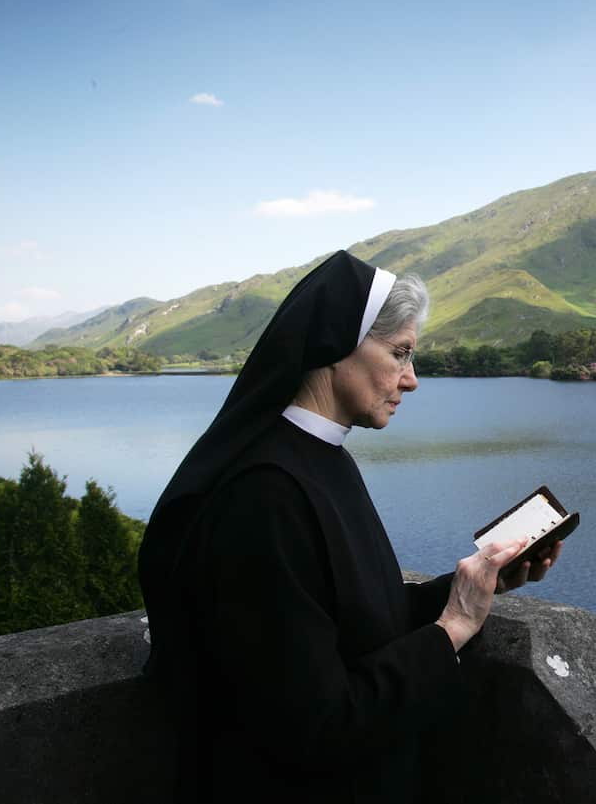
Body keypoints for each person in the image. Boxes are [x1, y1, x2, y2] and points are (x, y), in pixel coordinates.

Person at [137, 250, 562, 803]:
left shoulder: (321, 457)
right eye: (400, 353)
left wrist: (477, 586)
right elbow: (314, 725)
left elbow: (353, 621)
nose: (411, 380)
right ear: (336, 345)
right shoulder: (264, 494)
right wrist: (453, 627)